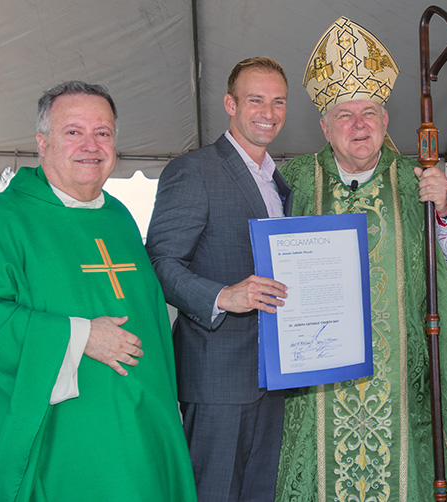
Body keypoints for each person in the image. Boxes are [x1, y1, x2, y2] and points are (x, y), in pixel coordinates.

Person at [0, 81, 196, 501]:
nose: (91, 145)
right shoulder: (5, 220)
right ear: (42, 143)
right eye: (73, 131)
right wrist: (80, 335)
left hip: (142, 429)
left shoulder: (119, 218)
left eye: (103, 133)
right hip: (64, 438)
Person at [275, 17, 447, 501]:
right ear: (325, 126)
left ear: (386, 121)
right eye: (345, 115)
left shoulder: (417, 180)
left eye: (369, 112)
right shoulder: (296, 179)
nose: (359, 124)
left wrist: (445, 211)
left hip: (400, 386)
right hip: (319, 382)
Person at [146, 57, 292, 501]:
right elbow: (160, 261)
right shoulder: (194, 170)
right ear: (230, 103)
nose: (268, 111)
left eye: (278, 101)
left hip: (272, 374)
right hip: (217, 378)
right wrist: (223, 296)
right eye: (255, 99)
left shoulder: (278, 181)